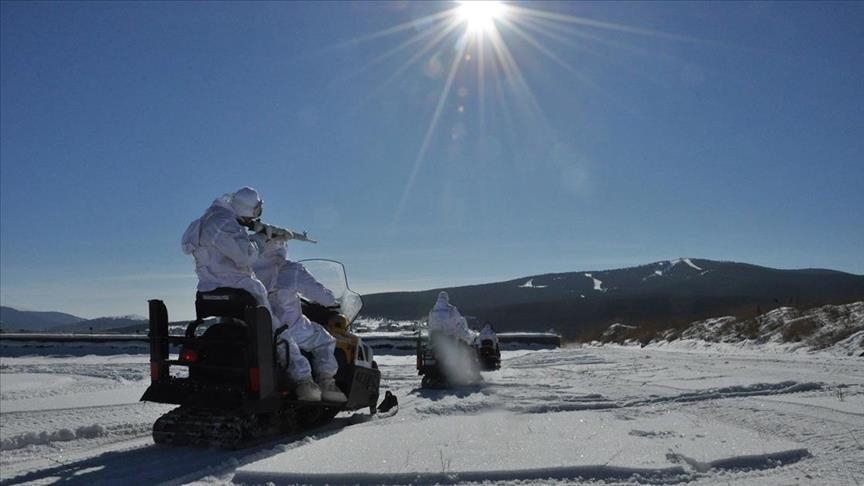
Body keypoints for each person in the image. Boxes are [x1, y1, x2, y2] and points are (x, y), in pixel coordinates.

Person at [181, 188, 318, 402]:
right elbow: (245, 256)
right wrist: (263, 240)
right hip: (242, 289)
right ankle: (303, 381)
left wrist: (255, 233)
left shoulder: (204, 222)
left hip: (209, 290)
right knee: (278, 332)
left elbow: (218, 247)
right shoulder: (224, 224)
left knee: (237, 332)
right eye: (255, 211)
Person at [252, 233, 348, 403]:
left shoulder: (249, 271)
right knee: (324, 340)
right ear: (281, 246)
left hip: (257, 329)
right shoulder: (290, 269)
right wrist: (332, 301)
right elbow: (319, 294)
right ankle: (323, 383)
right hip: (290, 327)